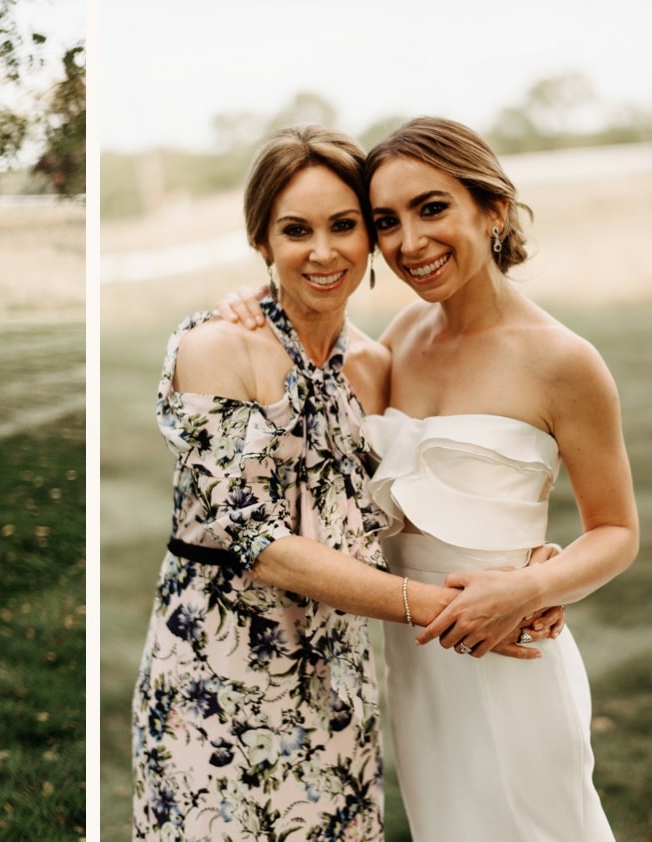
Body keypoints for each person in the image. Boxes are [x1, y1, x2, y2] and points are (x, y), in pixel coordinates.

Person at [129, 125, 562, 841]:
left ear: (369, 240)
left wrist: (523, 573)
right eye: (295, 229)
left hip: (336, 682)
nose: (323, 251)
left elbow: (409, 500)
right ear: (261, 241)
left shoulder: (373, 365)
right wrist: (451, 610)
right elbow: (259, 544)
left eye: (345, 225)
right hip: (213, 680)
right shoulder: (217, 349)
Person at [225, 117, 633, 840]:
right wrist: (250, 307)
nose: (410, 241)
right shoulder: (397, 343)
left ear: (493, 209)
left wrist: (537, 583)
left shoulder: (564, 361)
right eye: (387, 220)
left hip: (510, 655)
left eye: (432, 208)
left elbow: (617, 531)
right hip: (417, 664)